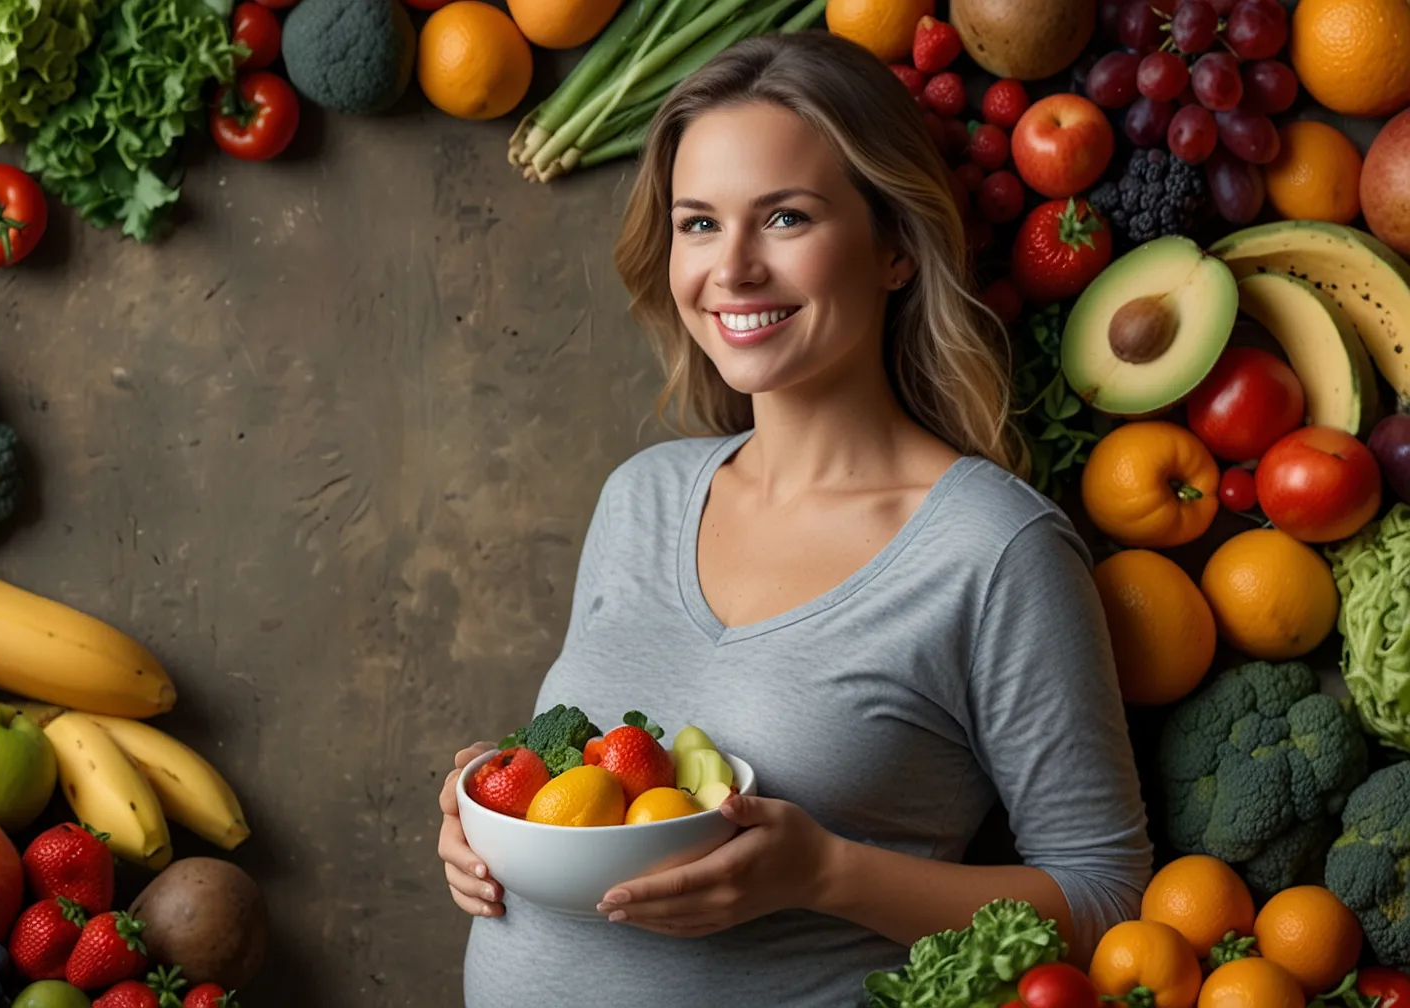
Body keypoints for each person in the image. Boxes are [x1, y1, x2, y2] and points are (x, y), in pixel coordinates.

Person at [434, 28, 1153, 1007]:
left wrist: (825, 875)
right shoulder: (640, 497)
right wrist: (491, 805)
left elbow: (1108, 898)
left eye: (783, 218)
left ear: (894, 246)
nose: (729, 270)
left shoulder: (990, 551)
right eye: (698, 223)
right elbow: (595, 776)